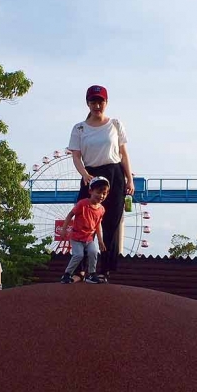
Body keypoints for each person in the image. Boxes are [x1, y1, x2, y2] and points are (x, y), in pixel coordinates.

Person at [67, 85, 134, 281]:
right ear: (87, 103)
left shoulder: (115, 124)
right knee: (84, 220)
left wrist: (130, 179)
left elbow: (123, 154)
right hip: (91, 174)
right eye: (93, 101)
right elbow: (76, 156)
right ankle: (79, 270)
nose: (97, 105)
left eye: (101, 101)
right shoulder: (79, 128)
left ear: (106, 102)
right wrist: (85, 175)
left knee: (111, 223)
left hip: (114, 174)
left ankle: (105, 270)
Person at [59, 176, 110, 284]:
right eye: (98, 192)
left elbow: (98, 225)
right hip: (77, 237)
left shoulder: (101, 209)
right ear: (91, 191)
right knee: (78, 255)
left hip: (89, 238)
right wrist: (64, 229)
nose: (101, 196)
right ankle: (67, 274)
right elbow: (70, 215)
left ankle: (91, 275)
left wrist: (100, 241)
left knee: (93, 252)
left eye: (104, 193)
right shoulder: (82, 204)